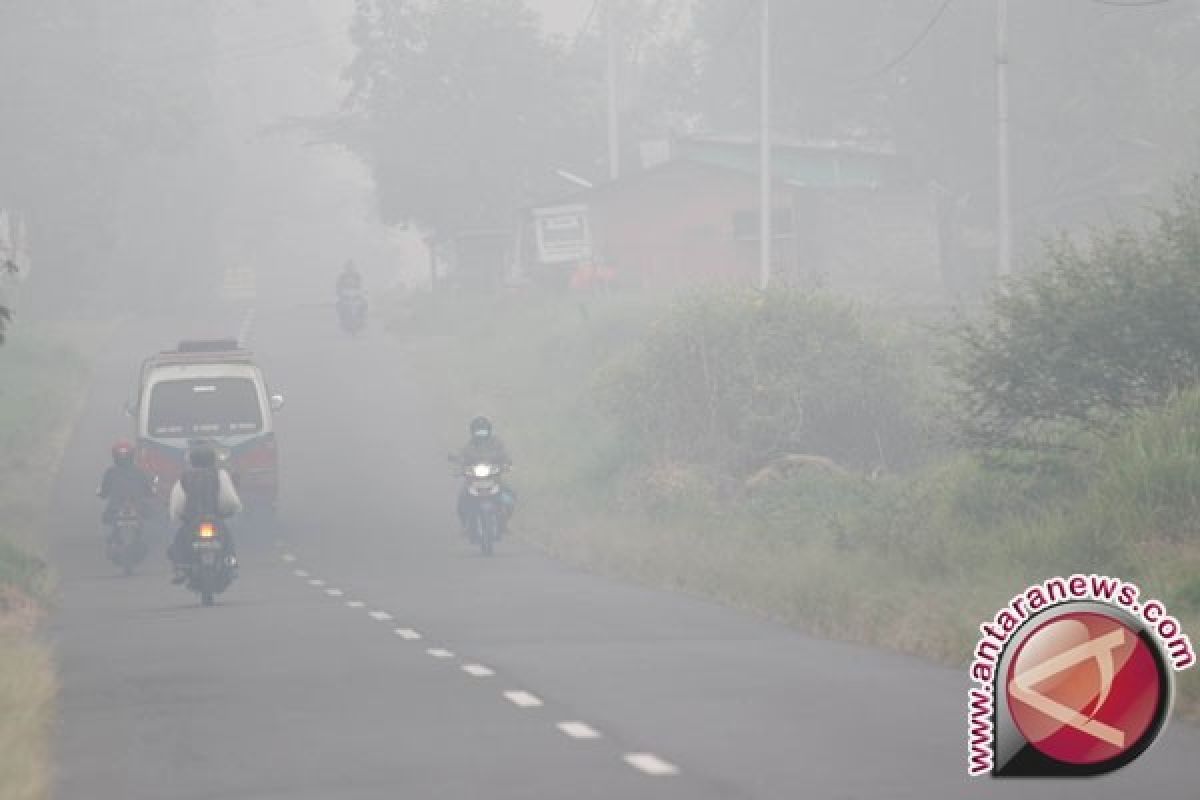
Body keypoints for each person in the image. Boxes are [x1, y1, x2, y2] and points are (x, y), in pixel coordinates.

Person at [167, 443, 242, 583]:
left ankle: (179, 569)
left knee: (178, 542)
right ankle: (232, 565)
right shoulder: (219, 474)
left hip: (192, 520)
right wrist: (229, 511)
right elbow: (228, 498)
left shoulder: (185, 476)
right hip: (214, 517)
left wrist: (179, 515)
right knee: (228, 541)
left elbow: (179, 499)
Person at [454, 416, 514, 533]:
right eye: (478, 431)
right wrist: (459, 468)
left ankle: (504, 523)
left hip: (494, 479)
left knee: (510, 496)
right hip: (473, 481)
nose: (481, 434)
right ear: (473, 432)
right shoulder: (469, 446)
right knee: (462, 499)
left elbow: (505, 455)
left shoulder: (497, 443)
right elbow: (462, 458)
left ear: (489, 430)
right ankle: (465, 526)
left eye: (483, 431)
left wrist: (507, 464)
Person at [96, 440, 154, 526]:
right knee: (150, 518)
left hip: (124, 508)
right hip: (135, 508)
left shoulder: (110, 472)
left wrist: (101, 493)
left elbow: (104, 492)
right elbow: (148, 491)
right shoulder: (139, 471)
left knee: (106, 520)